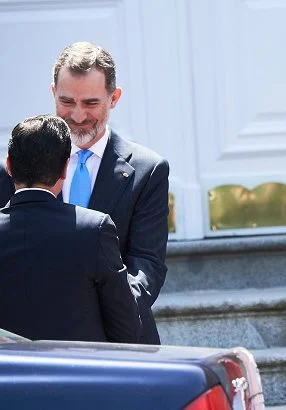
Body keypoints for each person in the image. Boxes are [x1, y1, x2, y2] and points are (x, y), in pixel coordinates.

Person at [0, 42, 169, 344]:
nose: (77, 116)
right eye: (67, 101)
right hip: (30, 347)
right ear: (53, 93)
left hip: (121, 345)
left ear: (114, 98)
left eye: (91, 103)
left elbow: (147, 264)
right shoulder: (12, 170)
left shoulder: (148, 170)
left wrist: (113, 312)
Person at [0, 115, 140, 343]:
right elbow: (126, 327)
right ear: (65, 168)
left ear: (9, 166)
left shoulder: (94, 228)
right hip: (80, 373)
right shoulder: (94, 228)